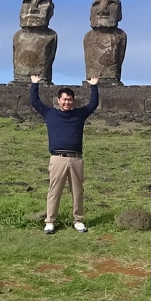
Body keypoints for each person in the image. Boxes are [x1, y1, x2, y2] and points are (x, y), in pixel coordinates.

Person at [30, 74, 99, 234]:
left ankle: (78, 220)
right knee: (54, 191)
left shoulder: (79, 114)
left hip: (76, 159)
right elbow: (35, 102)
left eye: (69, 99)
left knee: (78, 191)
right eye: (64, 99)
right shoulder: (50, 114)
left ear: (73, 101)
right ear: (58, 100)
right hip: (57, 158)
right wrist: (34, 84)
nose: (67, 102)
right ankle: (50, 221)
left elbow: (93, 104)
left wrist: (94, 86)